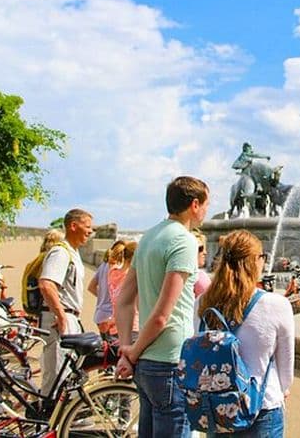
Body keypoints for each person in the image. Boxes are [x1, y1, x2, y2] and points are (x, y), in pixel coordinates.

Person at [114, 176, 209, 438]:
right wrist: (132, 353)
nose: (206, 211)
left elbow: (123, 300)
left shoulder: (148, 237)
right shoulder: (184, 241)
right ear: (194, 204)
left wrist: (127, 349)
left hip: (145, 364)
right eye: (205, 205)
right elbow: (162, 316)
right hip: (171, 361)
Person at [198, 230, 295, 437]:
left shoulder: (203, 303)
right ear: (254, 261)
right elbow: (286, 374)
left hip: (217, 409)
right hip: (262, 409)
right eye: (262, 257)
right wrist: (282, 389)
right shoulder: (277, 305)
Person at [38, 208, 92, 396]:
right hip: (60, 319)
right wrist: (61, 316)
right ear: (73, 226)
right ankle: (48, 411)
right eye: (87, 227)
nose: (90, 232)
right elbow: (46, 284)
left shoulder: (73, 253)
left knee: (66, 373)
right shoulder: (61, 252)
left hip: (69, 317)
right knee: (56, 377)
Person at [88, 240, 127, 339]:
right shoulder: (119, 269)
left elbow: (91, 287)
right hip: (110, 316)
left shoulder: (103, 265)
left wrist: (102, 296)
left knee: (105, 345)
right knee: (114, 346)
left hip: (100, 314)